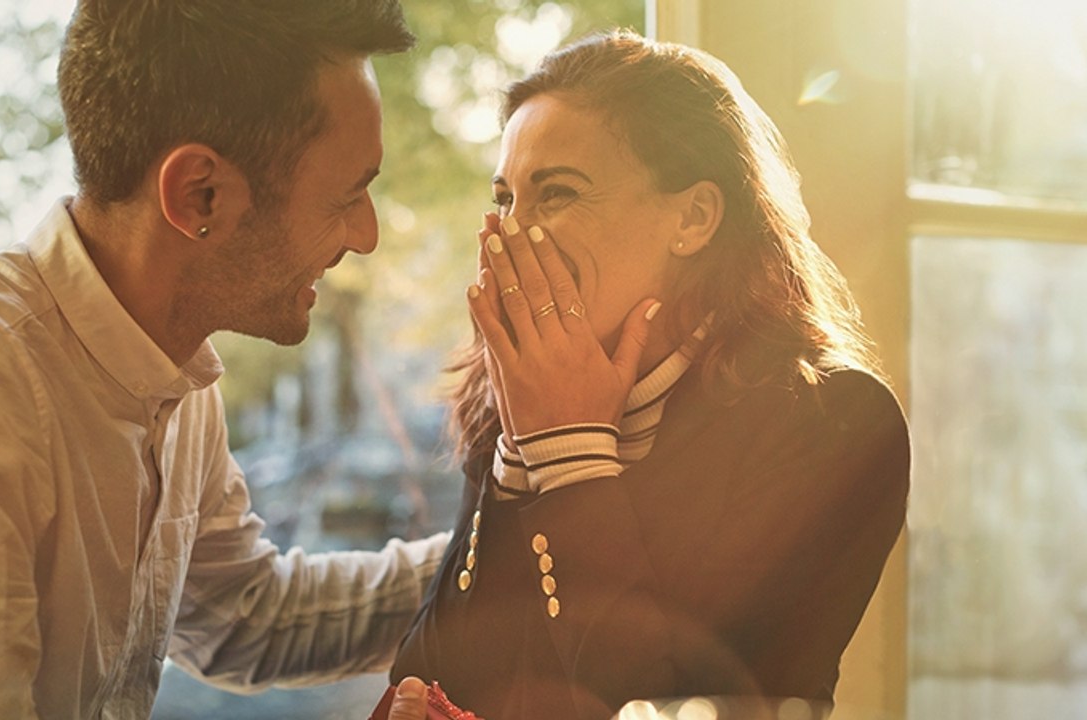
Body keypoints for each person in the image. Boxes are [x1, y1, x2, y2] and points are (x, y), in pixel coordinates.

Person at [0, 1, 448, 717]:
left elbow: (246, 615)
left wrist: (510, 545)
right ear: (198, 192)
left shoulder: (177, 374)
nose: (366, 236)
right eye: (348, 194)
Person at [389, 31, 911, 719]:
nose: (511, 235)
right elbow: (432, 676)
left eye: (557, 194)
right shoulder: (511, 391)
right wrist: (519, 455)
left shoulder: (833, 419)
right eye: (507, 199)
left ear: (693, 217)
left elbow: (658, 702)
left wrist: (567, 452)